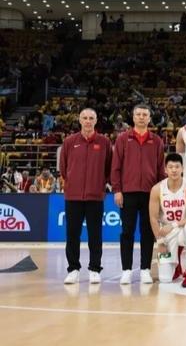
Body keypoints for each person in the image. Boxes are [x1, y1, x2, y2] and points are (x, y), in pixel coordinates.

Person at [111, 104, 166, 285]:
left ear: (149, 118)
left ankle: (145, 270)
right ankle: (126, 270)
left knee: (147, 232)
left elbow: (160, 169)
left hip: (151, 194)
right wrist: (117, 190)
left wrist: (162, 193)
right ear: (133, 117)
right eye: (138, 114)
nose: (141, 117)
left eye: (145, 115)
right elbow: (116, 167)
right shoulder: (122, 139)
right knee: (127, 232)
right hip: (128, 192)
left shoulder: (156, 140)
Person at [60, 108, 112, 284]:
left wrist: (100, 184)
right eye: (85, 118)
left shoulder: (104, 142)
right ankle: (73, 269)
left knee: (95, 235)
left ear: (96, 120)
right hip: (73, 197)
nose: (88, 121)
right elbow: (63, 168)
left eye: (91, 118)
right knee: (72, 235)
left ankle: (95, 269)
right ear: (79, 120)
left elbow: (109, 167)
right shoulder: (69, 141)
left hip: (95, 197)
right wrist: (72, 183)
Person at [148, 153, 186, 286]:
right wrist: (160, 242)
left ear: (182, 168)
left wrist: (174, 225)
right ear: (165, 169)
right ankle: (177, 264)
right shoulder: (157, 189)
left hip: (183, 229)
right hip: (167, 233)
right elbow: (153, 218)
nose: (174, 170)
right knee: (165, 279)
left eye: (177, 167)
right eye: (170, 167)